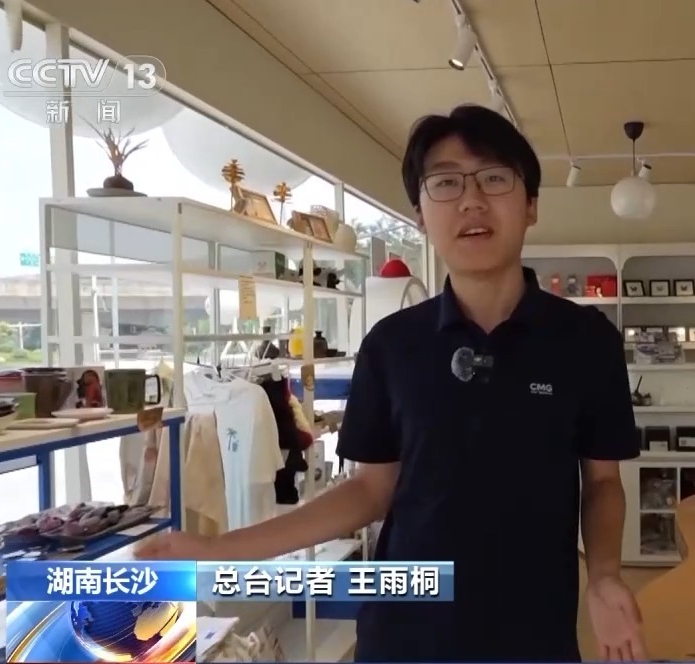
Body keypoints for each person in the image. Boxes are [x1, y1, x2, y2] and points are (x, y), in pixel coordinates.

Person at [135, 104, 646, 662]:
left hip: (534, 635)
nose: (472, 200)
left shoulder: (584, 340)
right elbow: (369, 491)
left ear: (531, 205)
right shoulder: (393, 345)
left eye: (495, 178)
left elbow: (602, 482)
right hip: (404, 636)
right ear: (421, 215)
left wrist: (605, 574)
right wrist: (221, 549)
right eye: (446, 183)